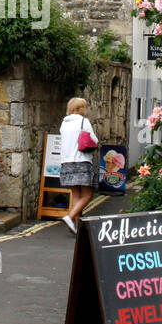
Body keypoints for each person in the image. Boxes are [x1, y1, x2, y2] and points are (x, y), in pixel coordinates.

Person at [58, 98, 98, 235]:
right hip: (81, 161)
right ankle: (70, 216)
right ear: (80, 108)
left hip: (66, 162)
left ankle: (77, 227)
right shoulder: (83, 121)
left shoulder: (64, 123)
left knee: (76, 194)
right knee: (87, 195)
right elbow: (94, 140)